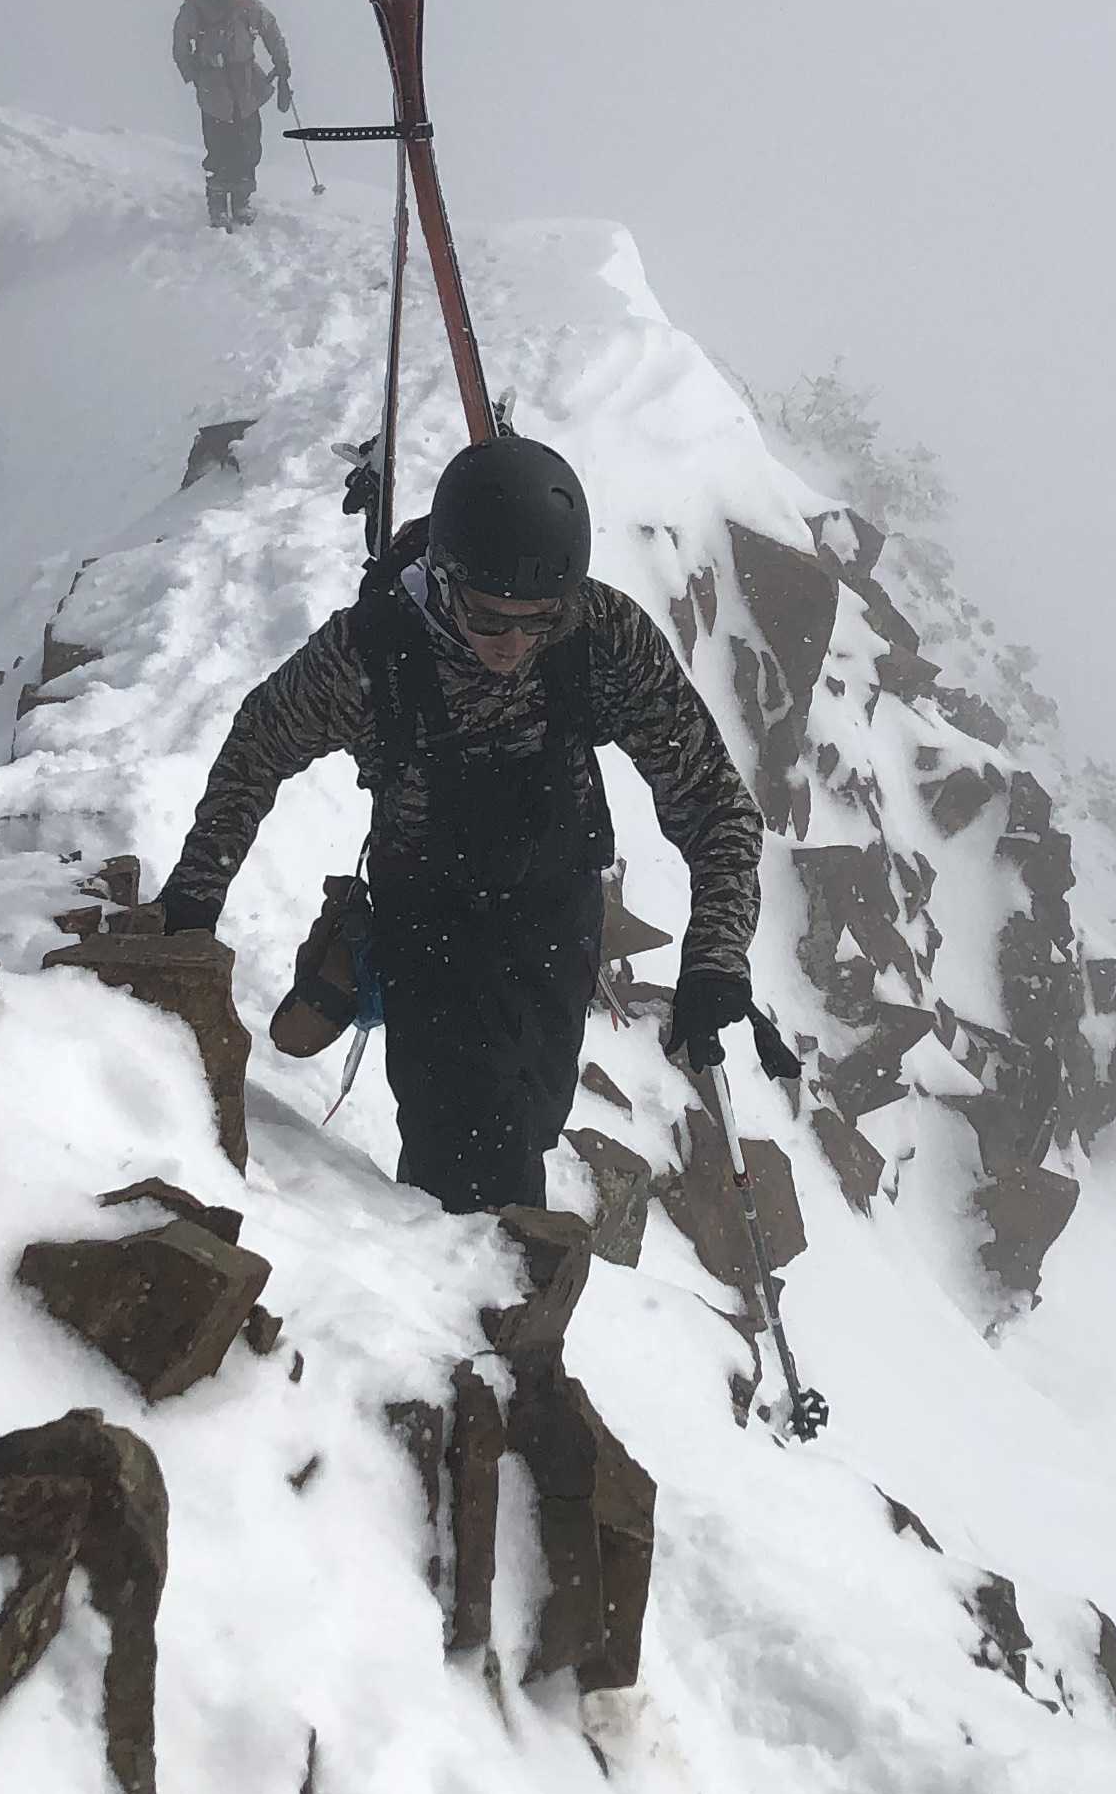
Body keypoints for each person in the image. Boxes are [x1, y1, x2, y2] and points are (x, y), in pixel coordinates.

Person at [153, 436, 762, 1214]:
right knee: (471, 1160)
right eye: (488, 618)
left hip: (555, 921)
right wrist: (196, 894)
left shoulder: (598, 638)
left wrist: (716, 957)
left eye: (539, 621)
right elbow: (257, 746)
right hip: (429, 928)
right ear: (443, 579)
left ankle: (457, 1265)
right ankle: (467, 1278)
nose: (513, 645)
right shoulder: (372, 653)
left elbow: (712, 801)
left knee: (529, 1124)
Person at [170, 0, 293, 229]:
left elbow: (270, 29)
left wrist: (282, 63)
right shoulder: (203, 9)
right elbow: (181, 46)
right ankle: (221, 202)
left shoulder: (240, 5)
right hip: (217, 88)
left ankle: (239, 199)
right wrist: (194, 71)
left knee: (246, 145)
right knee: (223, 147)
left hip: (241, 86)